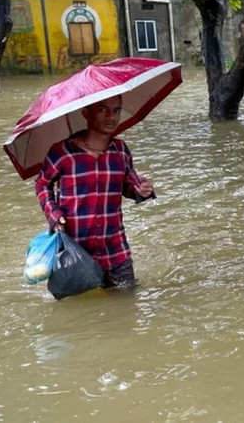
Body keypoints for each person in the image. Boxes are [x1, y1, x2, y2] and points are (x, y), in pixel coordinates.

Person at [35, 95, 155, 289]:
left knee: (126, 310)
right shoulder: (63, 152)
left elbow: (128, 187)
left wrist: (143, 191)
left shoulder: (121, 150)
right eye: (102, 110)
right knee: (78, 313)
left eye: (116, 111)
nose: (111, 117)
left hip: (116, 252)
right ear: (86, 113)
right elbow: (42, 185)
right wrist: (54, 216)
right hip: (76, 253)